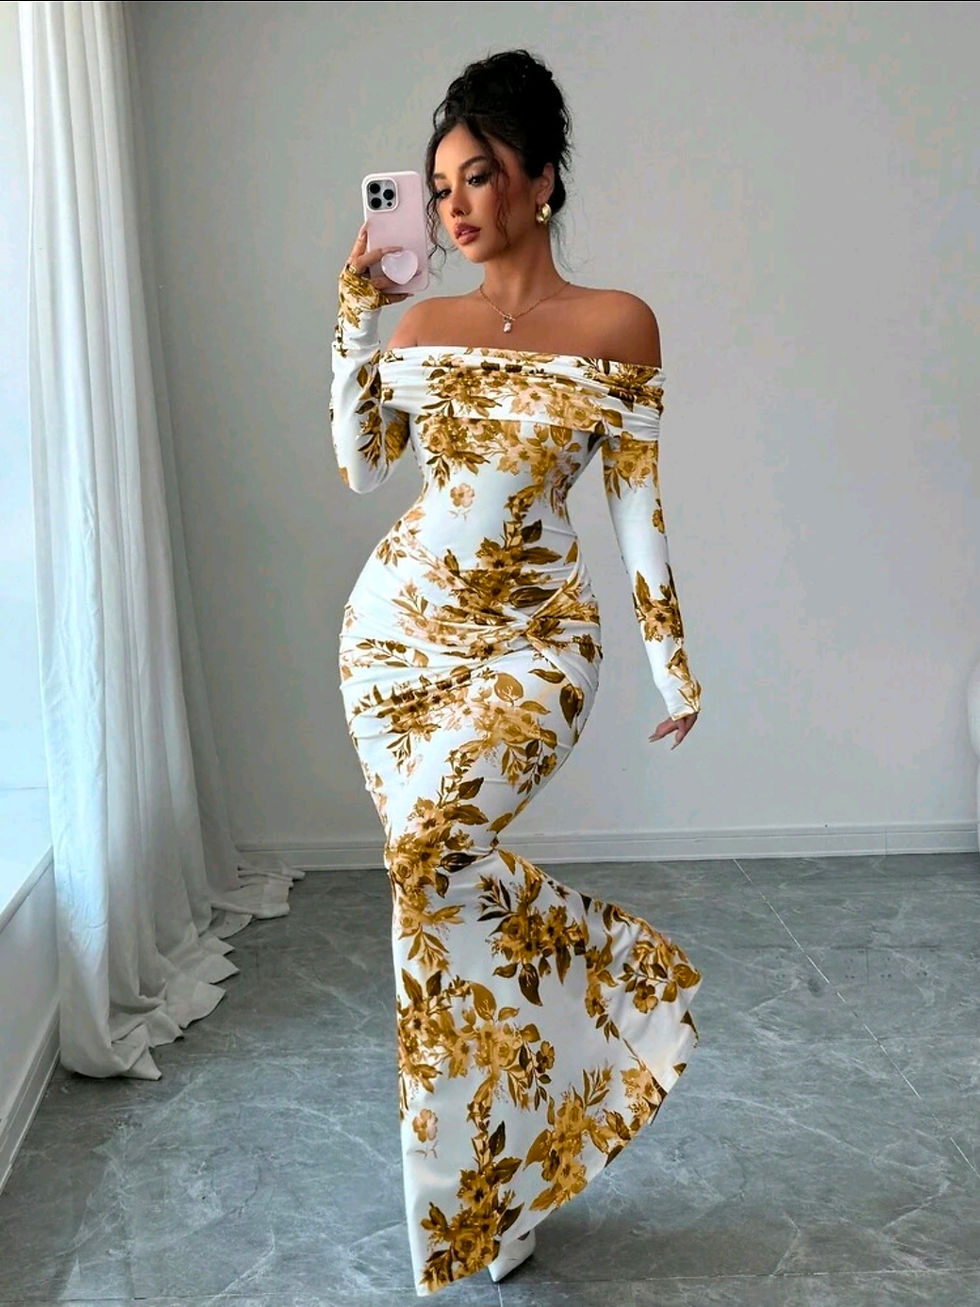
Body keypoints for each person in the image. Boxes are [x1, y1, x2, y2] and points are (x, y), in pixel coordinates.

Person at [329, 48, 703, 1298]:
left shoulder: (617, 325)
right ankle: (491, 1193)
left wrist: (671, 664)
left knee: (430, 862)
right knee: (428, 896)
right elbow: (362, 465)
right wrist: (355, 315)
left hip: (536, 642)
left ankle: (611, 1001)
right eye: (438, 187)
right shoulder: (420, 325)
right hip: (397, 639)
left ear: (541, 179)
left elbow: (637, 504)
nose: (453, 206)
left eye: (478, 177)